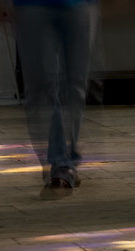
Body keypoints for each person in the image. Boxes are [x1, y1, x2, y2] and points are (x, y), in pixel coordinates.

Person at [0, 0, 98, 198]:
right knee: (40, 84)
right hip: (31, 5)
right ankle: (60, 161)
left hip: (78, 5)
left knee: (74, 84)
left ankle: (63, 162)